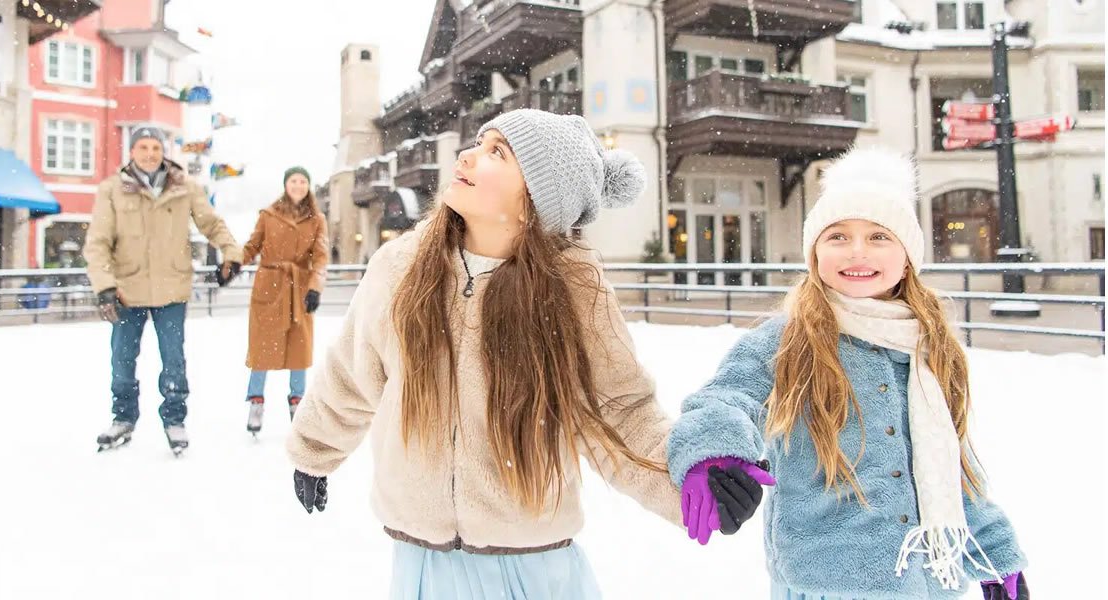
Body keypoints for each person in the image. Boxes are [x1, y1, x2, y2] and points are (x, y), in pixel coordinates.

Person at [287, 109, 681, 599]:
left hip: (530, 567)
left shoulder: (572, 288)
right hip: (423, 561)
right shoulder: (400, 269)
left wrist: (690, 482)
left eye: (498, 151)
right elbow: (351, 372)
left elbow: (619, 411)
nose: (469, 155)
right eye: (479, 143)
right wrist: (314, 450)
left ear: (534, 200)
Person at [666, 148, 1028, 599]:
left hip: (930, 583)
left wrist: (995, 555)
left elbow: (953, 467)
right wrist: (715, 453)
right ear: (814, 251)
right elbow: (726, 399)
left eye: (879, 236)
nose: (858, 252)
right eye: (838, 236)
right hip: (827, 585)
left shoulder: (929, 347)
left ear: (908, 254)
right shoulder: (789, 339)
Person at [84, 126, 244, 455]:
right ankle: (123, 418)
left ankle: (174, 419)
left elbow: (211, 223)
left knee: (174, 360)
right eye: (142, 146)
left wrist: (231, 255)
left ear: (163, 151)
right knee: (122, 359)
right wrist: (104, 286)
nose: (149, 153)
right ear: (132, 152)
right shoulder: (112, 189)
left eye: (155, 147)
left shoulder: (185, 187)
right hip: (126, 291)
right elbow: (98, 242)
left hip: (172, 289)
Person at [241, 166, 329, 435]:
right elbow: (252, 246)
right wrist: (232, 263)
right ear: (286, 184)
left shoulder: (317, 219)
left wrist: (315, 287)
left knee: (298, 348)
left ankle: (297, 403)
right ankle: (256, 401)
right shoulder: (268, 215)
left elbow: (322, 256)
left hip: (299, 288)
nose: (298, 185)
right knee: (262, 347)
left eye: (303, 181)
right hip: (269, 287)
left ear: (308, 185)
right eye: (294, 180)